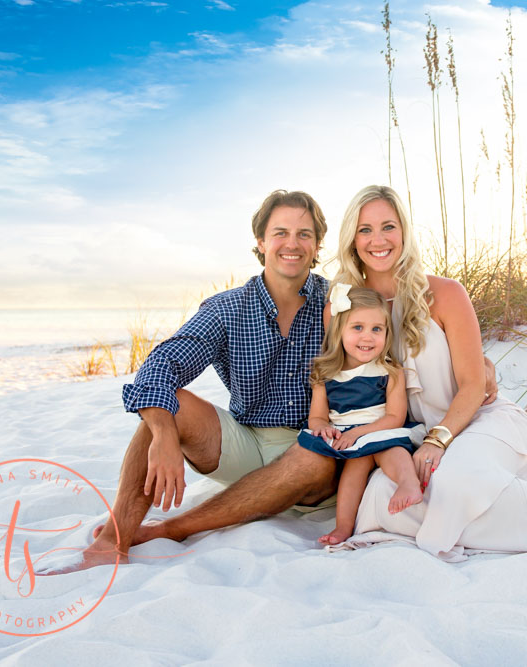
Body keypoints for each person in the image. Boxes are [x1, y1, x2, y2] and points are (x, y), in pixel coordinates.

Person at [331, 184, 527, 561]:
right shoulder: (344, 307)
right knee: (381, 500)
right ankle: (497, 511)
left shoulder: (446, 293)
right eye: (365, 229)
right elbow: (343, 380)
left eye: (388, 226)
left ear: (405, 232)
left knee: (452, 482)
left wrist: (438, 440)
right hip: (410, 441)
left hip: (479, 423)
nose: (377, 240)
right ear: (352, 237)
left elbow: (472, 384)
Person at [46, 189, 342, 573]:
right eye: (280, 232)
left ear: (318, 244)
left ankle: (172, 528)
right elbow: (160, 364)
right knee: (170, 407)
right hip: (247, 442)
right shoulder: (227, 308)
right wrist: (164, 435)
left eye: (304, 234)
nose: (292, 243)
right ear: (261, 241)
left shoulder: (338, 300)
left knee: (314, 459)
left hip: (315, 454)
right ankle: (112, 541)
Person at [296, 284, 425, 545]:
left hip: (380, 429)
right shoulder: (325, 374)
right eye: (357, 328)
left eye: (377, 329)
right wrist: (324, 428)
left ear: (387, 333)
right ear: (339, 330)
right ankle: (343, 527)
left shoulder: (390, 371)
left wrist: (359, 433)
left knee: (393, 450)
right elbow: (317, 417)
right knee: (353, 471)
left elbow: (395, 418)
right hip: (348, 438)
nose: (368, 337)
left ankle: (408, 483)